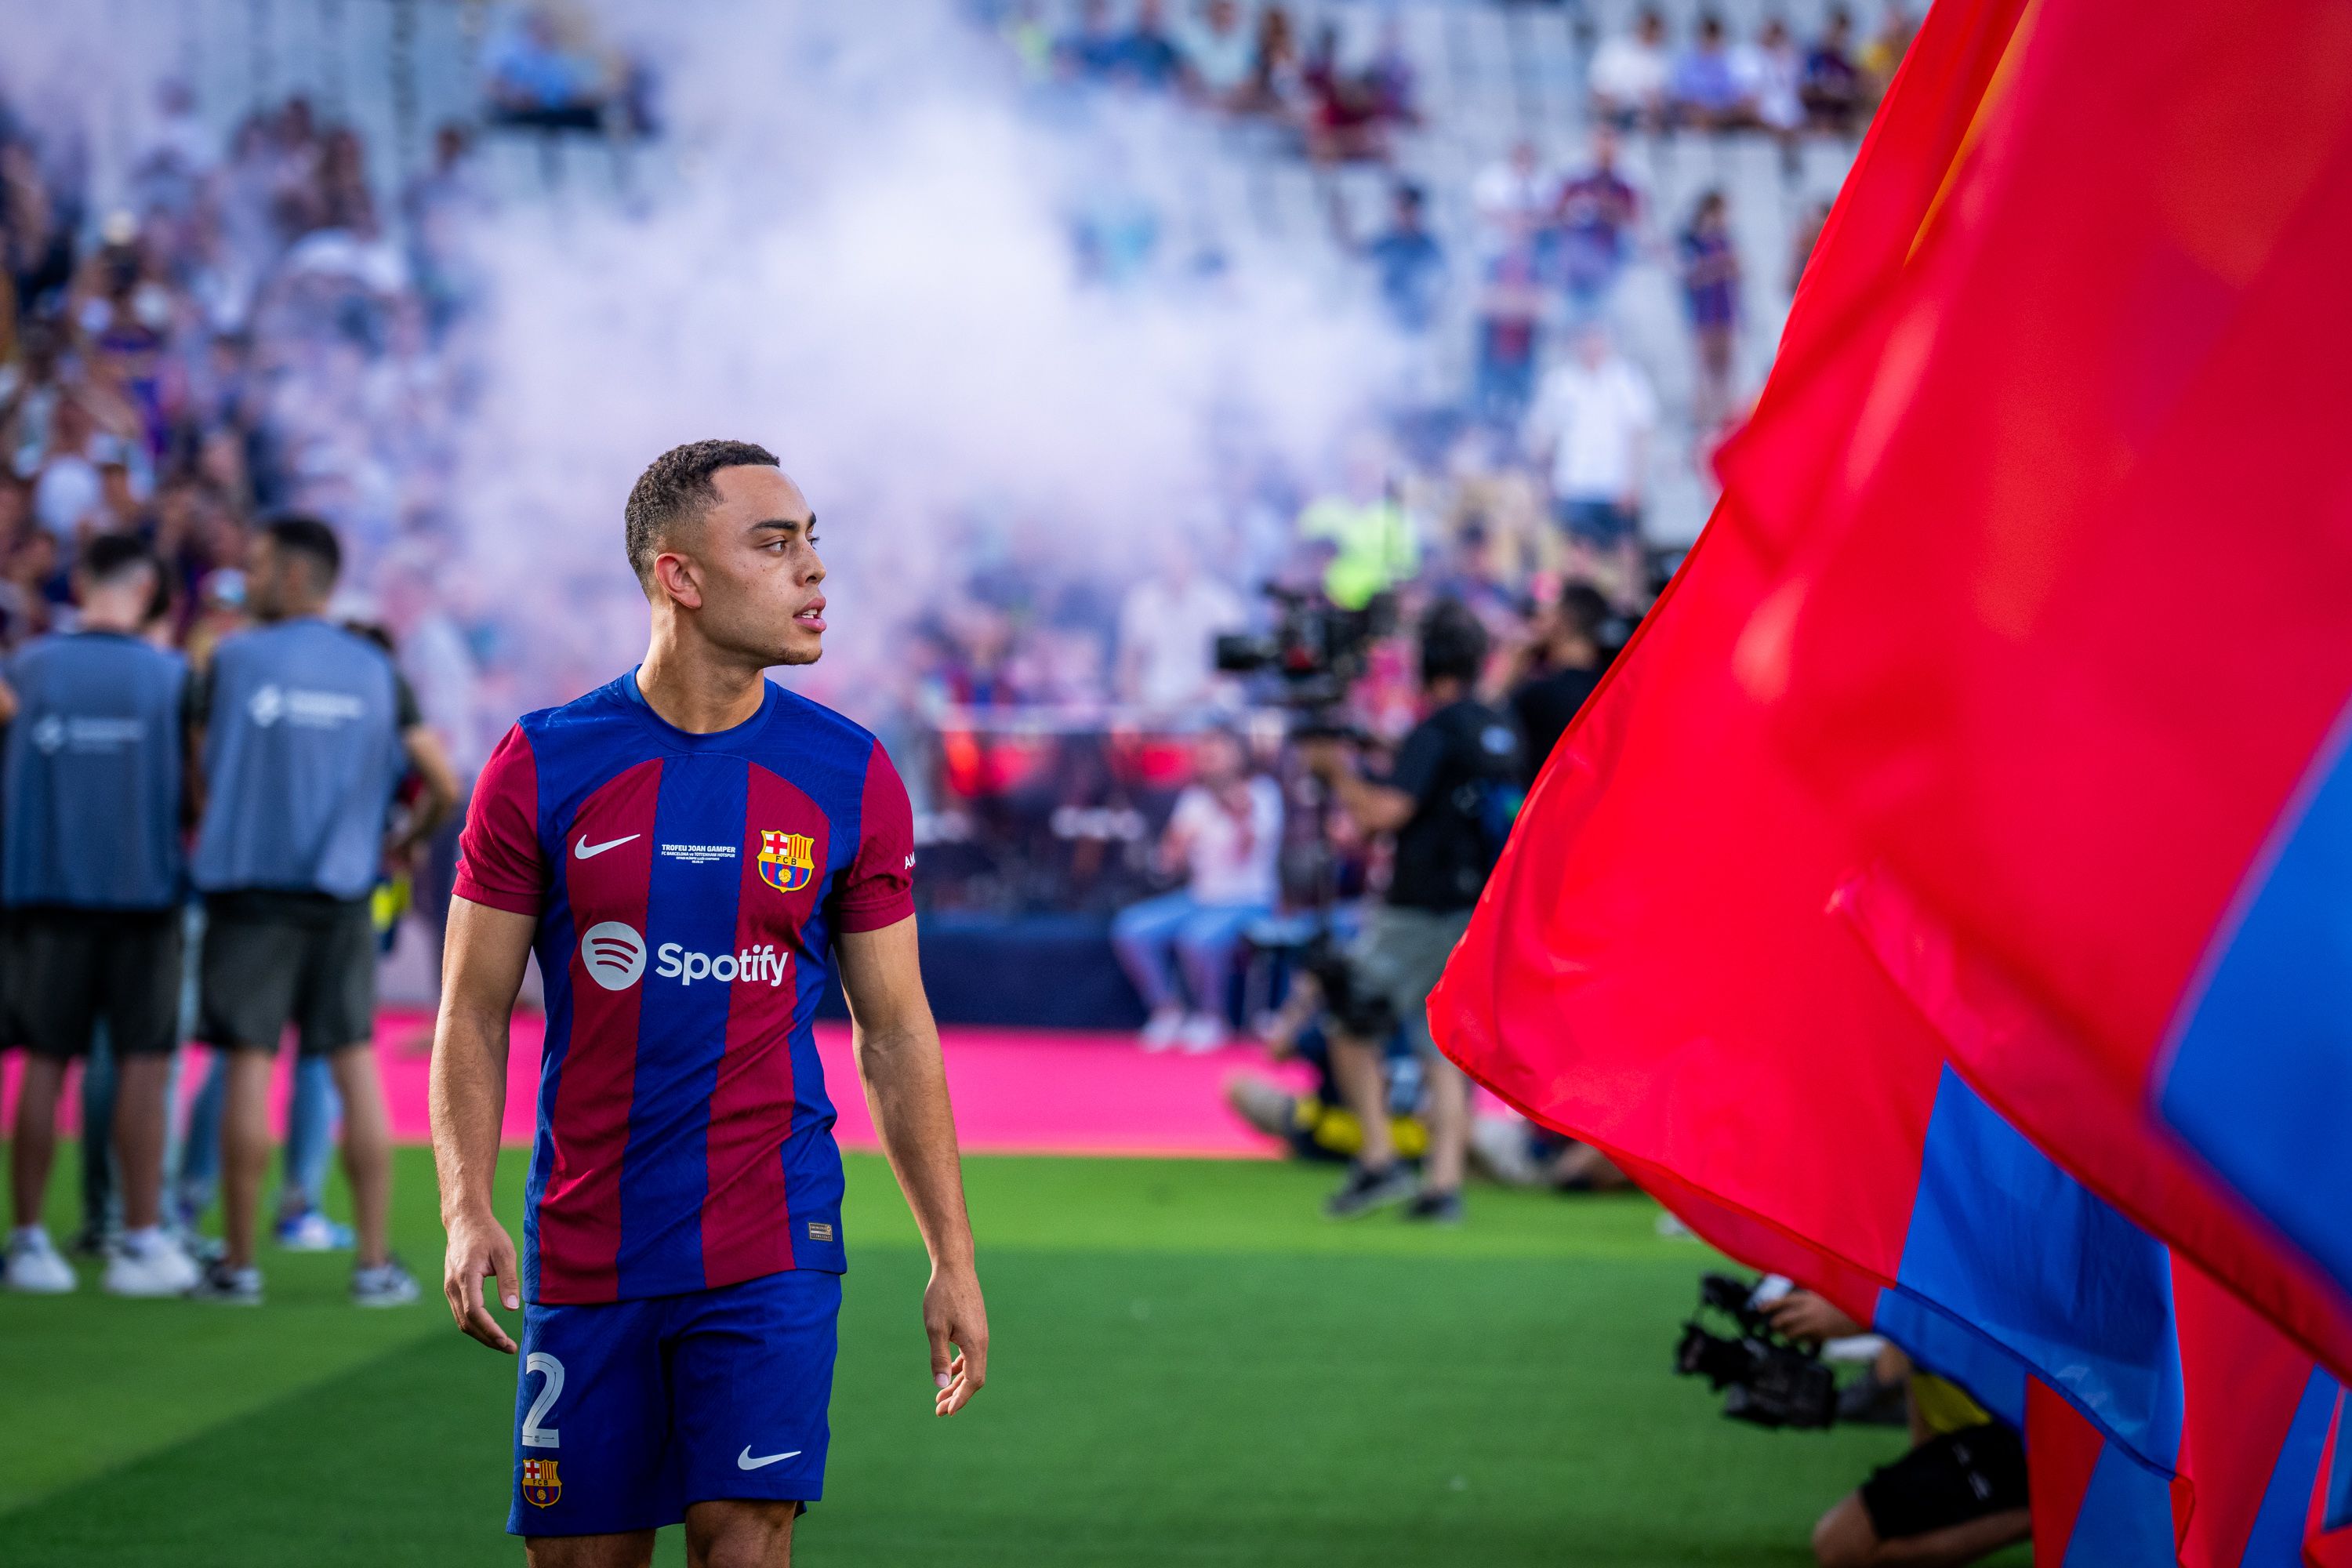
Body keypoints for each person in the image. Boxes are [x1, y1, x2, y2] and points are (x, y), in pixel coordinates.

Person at [430, 440, 989, 1565]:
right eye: (775, 544)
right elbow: (471, 1012)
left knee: (744, 1543)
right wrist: (464, 1203)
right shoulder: (540, 763)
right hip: (589, 1242)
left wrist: (952, 1254)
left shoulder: (850, 773)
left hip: (771, 1231)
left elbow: (894, 1032)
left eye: (813, 540)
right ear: (679, 576)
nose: (814, 570)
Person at [183, 515, 458, 1305]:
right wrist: (402, 841)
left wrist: (220, 814)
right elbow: (439, 779)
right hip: (342, 891)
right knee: (352, 1062)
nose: (251, 576)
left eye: (261, 563)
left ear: (297, 576)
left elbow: (198, 765)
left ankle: (237, 1264)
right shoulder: (376, 667)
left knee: (246, 1061)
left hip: (248, 892)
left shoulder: (229, 658)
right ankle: (374, 1264)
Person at [0, 535, 199, 1297]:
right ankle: (140, 1240)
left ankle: (26, 1240)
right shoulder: (171, 675)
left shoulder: (27, 667)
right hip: (145, 893)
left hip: (44, 892)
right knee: (144, 1067)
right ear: (148, 585)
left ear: (81, 580)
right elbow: (192, 793)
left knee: (45, 1065)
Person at [1301, 600, 1522, 1225]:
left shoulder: (1435, 730)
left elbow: (1384, 815)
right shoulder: (1495, 725)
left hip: (1418, 908)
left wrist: (1337, 775)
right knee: (1439, 1047)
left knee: (1348, 1020)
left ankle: (1379, 1161)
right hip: (1475, 907)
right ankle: (1444, 1186)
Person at [1764, 1290, 2032, 1567]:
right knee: (1854, 1538)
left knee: (1842, 1546)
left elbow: (1985, 1298)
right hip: (1986, 1423)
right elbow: (1903, 1371)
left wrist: (1863, 1313)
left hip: (2021, 1425)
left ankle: (2052, 1512)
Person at [1111, 728, 1283, 1052]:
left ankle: (1212, 1017)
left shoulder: (1262, 792)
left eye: (1218, 748)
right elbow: (1167, 865)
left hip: (1249, 901)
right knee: (1132, 927)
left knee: (1199, 936)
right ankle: (1167, 1011)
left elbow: (1245, 854)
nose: (1211, 756)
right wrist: (1175, 846)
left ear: (1239, 752)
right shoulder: (1194, 798)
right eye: (1205, 750)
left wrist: (1239, 814)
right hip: (1201, 897)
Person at [1523, 321, 1658, 585]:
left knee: (1625, 547)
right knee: (1574, 552)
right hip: (1574, 483)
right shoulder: (1559, 383)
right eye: (1586, 339)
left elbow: (1640, 434)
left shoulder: (1626, 378)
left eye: (1598, 339)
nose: (1592, 346)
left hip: (1616, 484)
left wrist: (1635, 483)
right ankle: (1579, 603)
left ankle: (1627, 605)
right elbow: (1543, 436)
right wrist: (1546, 481)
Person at [1114, 538, 1246, 715]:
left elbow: (1228, 671)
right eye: (1166, 553)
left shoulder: (1222, 602)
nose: (1171, 560)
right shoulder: (1142, 599)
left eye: (1178, 553)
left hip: (1207, 706)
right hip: (1151, 705)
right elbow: (1128, 664)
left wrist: (1178, 708)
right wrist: (1141, 704)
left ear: (1195, 555)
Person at [1507, 580, 1612, 783]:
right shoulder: (1611, 688)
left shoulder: (1538, 696)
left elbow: (1481, 719)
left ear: (1564, 621)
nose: (1536, 624)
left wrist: (1514, 661)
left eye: (1545, 615)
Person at [1551, 127, 1642, 321]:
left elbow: (1633, 220)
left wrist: (1604, 209)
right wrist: (1577, 209)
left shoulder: (1626, 184)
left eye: (1609, 145)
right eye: (1601, 145)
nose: (1605, 151)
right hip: (1575, 260)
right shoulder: (1575, 179)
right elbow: (1556, 213)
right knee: (1571, 321)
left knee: (1601, 321)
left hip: (1608, 259)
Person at [1678, 189, 1743, 440]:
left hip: (1725, 311)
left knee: (1726, 367)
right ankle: (1704, 420)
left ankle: (1725, 419)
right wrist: (1717, 267)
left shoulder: (1728, 241)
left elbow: (1737, 273)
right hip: (1702, 313)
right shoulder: (1692, 241)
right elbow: (1688, 276)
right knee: (1704, 368)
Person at [1358, 181, 1447, 336]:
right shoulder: (1387, 242)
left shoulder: (1430, 246)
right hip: (1383, 325)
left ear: (1416, 210)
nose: (1399, 214)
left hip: (1416, 328)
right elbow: (1355, 253)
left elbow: (1444, 285)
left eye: (1404, 208)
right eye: (1397, 208)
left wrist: (1433, 316)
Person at [1590, 9, 1672, 132]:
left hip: (1642, 114)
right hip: (1613, 109)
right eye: (1649, 29)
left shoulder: (1661, 60)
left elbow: (1659, 96)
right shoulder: (1615, 49)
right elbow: (1597, 87)